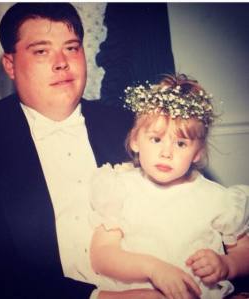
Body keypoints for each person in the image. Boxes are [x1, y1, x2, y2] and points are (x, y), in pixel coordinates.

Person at [0, 3, 167, 299]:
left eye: (71, 48)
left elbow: (184, 209)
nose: (62, 62)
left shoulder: (133, 126)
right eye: (41, 51)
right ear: (10, 65)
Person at [89, 74, 249, 299]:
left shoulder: (216, 198)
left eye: (181, 143)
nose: (167, 152)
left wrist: (227, 264)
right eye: (156, 139)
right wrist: (153, 268)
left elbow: (244, 251)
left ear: (197, 153)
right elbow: (102, 256)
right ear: (135, 140)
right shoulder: (120, 188)